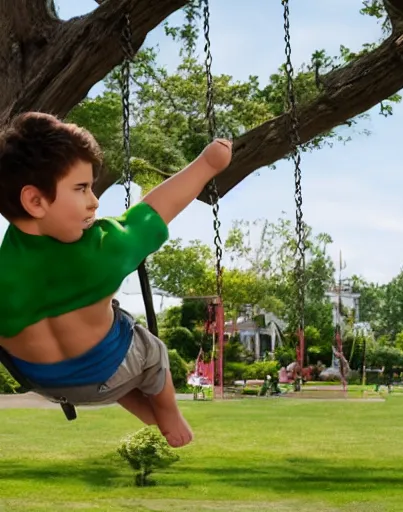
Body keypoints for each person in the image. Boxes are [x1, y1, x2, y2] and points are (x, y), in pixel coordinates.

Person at [0, 112, 233, 448]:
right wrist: (207, 164)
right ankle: (168, 415)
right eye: (81, 188)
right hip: (112, 375)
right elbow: (156, 208)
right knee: (150, 350)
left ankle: (136, 400)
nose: (94, 201)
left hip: (41, 382)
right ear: (35, 200)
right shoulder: (103, 249)